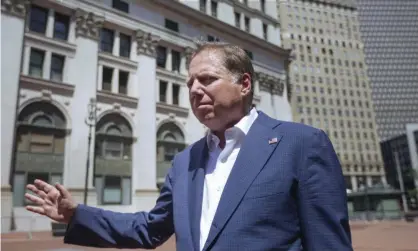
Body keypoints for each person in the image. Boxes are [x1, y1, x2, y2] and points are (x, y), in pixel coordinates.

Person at [25, 42, 353, 251]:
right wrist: (76, 214)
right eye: (190, 83)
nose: (194, 90)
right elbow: (148, 229)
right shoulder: (184, 162)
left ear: (244, 84)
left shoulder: (302, 144)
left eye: (207, 79)